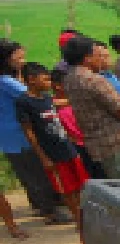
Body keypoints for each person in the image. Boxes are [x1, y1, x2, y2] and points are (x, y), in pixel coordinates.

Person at [61, 36, 120, 179]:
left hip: (97, 145)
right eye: (97, 55)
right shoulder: (94, 80)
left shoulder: (69, 79)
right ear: (87, 58)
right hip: (117, 142)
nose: (100, 60)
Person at [1, 40, 67, 221]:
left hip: (10, 135)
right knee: (36, 171)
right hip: (18, 134)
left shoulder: (9, 80)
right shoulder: (7, 82)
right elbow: (35, 99)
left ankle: (42, 204)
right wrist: (69, 101)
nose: (23, 60)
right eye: (19, 57)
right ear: (6, 59)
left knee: (28, 171)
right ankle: (49, 211)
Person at [17, 63, 88, 226]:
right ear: (32, 80)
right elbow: (29, 132)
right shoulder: (24, 102)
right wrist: (44, 158)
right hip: (52, 154)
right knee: (67, 189)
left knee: (79, 185)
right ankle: (78, 219)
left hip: (67, 148)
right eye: (46, 79)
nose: (49, 83)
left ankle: (84, 215)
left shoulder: (47, 98)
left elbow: (64, 103)